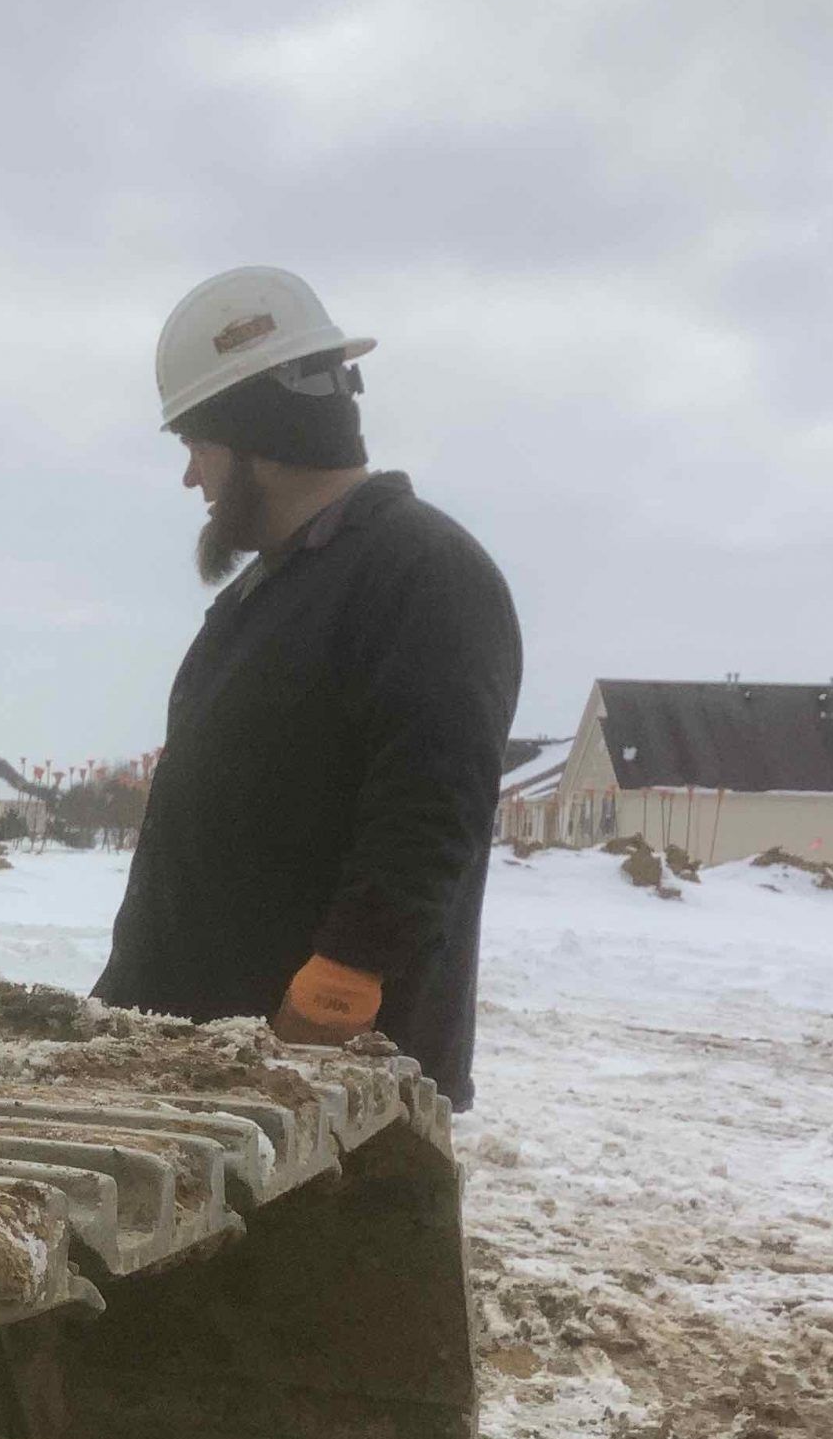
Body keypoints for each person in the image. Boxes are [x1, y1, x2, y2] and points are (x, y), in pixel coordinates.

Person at [96, 267, 522, 1109]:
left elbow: (429, 810)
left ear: (260, 438)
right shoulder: (274, 594)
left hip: (324, 1091)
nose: (193, 479)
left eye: (198, 446)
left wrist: (332, 1000)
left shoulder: (421, 572)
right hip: (217, 1069)